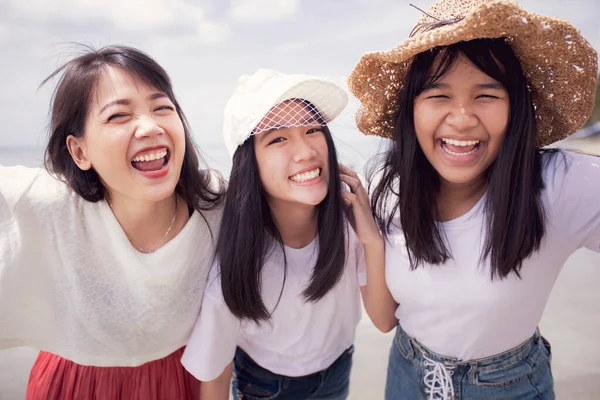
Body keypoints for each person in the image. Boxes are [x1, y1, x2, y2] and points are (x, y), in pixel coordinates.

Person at [346, 0, 599, 398]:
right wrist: (371, 242)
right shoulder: (386, 184)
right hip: (407, 371)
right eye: (439, 95)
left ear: (515, 109)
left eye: (486, 95)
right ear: (411, 110)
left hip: (509, 385)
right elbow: (383, 320)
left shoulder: (561, 183)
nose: (462, 117)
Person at [0, 45, 224, 400]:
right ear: (79, 151)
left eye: (162, 107)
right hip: (73, 384)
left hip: (179, 381)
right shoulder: (51, 204)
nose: (149, 126)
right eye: (119, 116)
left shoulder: (215, 202)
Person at [182, 69, 384, 400]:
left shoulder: (350, 224)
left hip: (338, 368)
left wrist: (372, 240)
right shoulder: (238, 260)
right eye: (277, 138)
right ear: (250, 166)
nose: (305, 152)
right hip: (264, 384)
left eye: (312, 129)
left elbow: (383, 319)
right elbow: (215, 374)